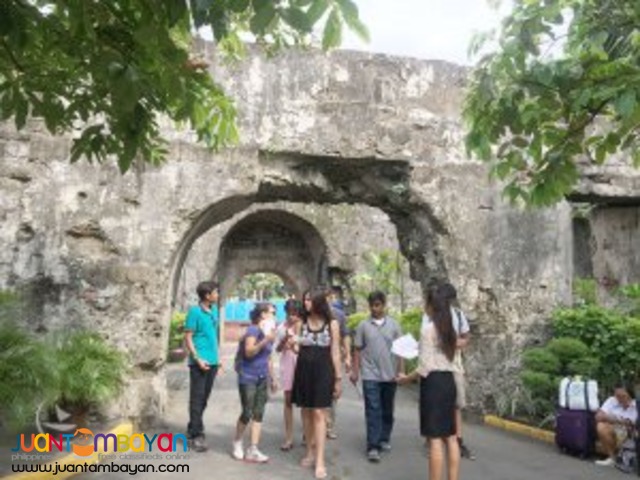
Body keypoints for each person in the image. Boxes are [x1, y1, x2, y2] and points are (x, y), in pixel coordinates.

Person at [398, 286, 460, 480]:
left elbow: (424, 368)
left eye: (426, 302)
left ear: (432, 306)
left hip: (433, 385)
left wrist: (404, 379)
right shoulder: (450, 330)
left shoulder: (428, 330)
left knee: (434, 439)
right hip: (449, 382)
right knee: (450, 437)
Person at [291, 287, 343, 479]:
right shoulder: (301, 322)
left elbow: (335, 352)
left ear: (319, 302)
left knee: (319, 412)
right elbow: (297, 347)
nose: (306, 303)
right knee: (305, 412)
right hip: (304, 370)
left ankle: (320, 459)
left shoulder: (332, 324)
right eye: (305, 300)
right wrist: (293, 344)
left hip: (324, 371)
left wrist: (338, 379)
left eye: (310, 300)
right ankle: (309, 452)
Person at [422, 282, 475, 460]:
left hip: (448, 370)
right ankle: (443, 439)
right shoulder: (431, 318)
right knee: (442, 416)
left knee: (455, 407)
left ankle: (454, 439)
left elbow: (466, 337)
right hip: (444, 369)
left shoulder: (457, 315)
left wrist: (406, 379)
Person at [350, 291, 403, 462]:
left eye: (378, 305)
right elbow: (357, 350)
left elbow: (401, 350)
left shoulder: (394, 325)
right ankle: (372, 445)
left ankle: (384, 438)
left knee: (387, 410)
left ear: (384, 304)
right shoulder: (363, 326)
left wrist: (401, 372)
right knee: (373, 409)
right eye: (372, 305)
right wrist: (355, 371)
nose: (375, 308)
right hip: (370, 375)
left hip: (390, 375)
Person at [231, 303, 277, 463]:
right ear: (262, 314)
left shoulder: (267, 332)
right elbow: (249, 352)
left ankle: (253, 449)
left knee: (259, 412)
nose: (274, 315)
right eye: (272, 312)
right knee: (247, 412)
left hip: (262, 377)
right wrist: (265, 340)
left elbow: (268, 358)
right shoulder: (253, 330)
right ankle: (237, 441)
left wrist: (273, 378)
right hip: (248, 376)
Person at [184, 281, 221, 452]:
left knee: (204, 398)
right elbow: (188, 337)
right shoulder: (194, 312)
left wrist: (218, 359)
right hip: (199, 362)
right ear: (207, 295)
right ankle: (197, 435)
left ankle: (193, 428)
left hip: (212, 362)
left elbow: (213, 337)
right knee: (197, 398)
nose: (217, 295)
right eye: (215, 292)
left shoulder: (213, 311)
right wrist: (197, 358)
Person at [276, 299, 304, 451]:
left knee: (306, 402)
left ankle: (308, 434)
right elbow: (278, 349)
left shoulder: (304, 326)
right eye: (289, 313)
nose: (292, 317)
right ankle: (288, 438)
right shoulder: (281, 327)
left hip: (303, 365)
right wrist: (284, 341)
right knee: (288, 401)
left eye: (295, 314)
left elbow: (302, 349)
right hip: (287, 364)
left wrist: (294, 345)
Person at [326, 285, 351, 439]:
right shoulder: (313, 314)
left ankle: (329, 425)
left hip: (333, 359)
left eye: (329, 298)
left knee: (333, 394)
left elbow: (345, 335)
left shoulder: (339, 315)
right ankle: (311, 428)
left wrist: (347, 355)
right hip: (316, 360)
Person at [594, 384, 638, 467]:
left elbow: (633, 424)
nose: (620, 399)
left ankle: (626, 457)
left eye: (623, 396)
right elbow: (598, 416)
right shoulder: (612, 400)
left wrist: (610, 418)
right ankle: (612, 459)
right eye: (617, 396)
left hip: (630, 433)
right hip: (615, 429)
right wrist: (619, 421)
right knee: (601, 426)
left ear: (630, 394)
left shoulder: (636, 405)